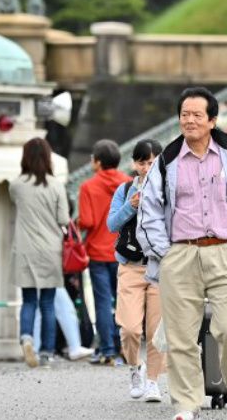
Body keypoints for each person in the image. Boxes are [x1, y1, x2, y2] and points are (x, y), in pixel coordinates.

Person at [137, 87, 227, 420]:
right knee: (180, 336)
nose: (189, 120)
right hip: (180, 254)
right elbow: (149, 209)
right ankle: (186, 403)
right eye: (184, 115)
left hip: (226, 251)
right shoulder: (165, 162)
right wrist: (164, 253)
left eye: (196, 115)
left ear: (212, 120)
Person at [107, 139, 165, 402]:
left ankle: (153, 380)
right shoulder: (125, 188)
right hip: (130, 266)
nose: (147, 167)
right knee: (129, 328)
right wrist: (131, 205)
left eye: (153, 162)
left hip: (160, 267)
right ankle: (134, 368)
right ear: (134, 163)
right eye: (143, 162)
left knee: (156, 330)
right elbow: (111, 224)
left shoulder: (169, 187)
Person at [10, 137, 70, 369]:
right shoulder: (56, 185)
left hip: (25, 249)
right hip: (50, 250)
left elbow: (15, 202)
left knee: (28, 300)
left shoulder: (16, 184)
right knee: (47, 303)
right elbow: (63, 219)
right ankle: (46, 352)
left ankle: (26, 337)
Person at [78, 139, 130, 365]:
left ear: (98, 162)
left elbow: (87, 221)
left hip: (98, 253)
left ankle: (107, 350)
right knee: (124, 300)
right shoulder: (129, 183)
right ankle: (125, 347)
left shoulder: (88, 187)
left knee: (102, 300)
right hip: (124, 251)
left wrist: (78, 222)